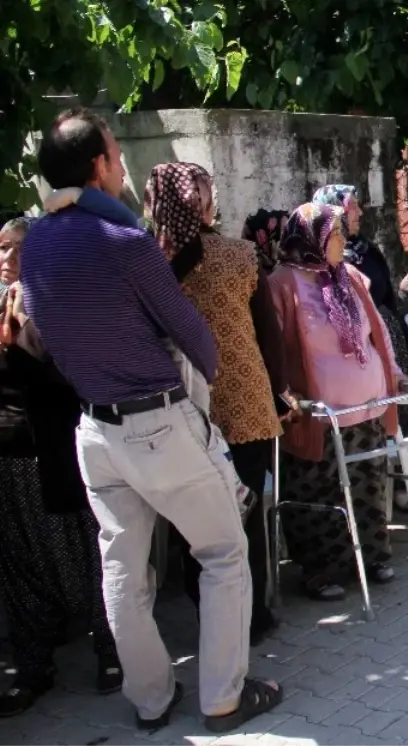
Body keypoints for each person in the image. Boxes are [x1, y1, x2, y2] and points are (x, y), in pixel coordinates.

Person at [19, 108, 281, 733]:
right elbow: (196, 338)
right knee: (222, 552)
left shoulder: (34, 245)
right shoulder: (126, 242)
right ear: (99, 166)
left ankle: (151, 699)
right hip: (158, 423)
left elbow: (42, 336)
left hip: (95, 432)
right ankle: (222, 696)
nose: (124, 167)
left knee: (123, 571)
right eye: (116, 153)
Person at [142, 163, 285, 645]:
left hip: (179, 412)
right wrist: (281, 393)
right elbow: (270, 335)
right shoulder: (242, 256)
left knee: (193, 525)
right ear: (202, 201)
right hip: (245, 404)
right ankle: (253, 617)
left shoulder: (145, 265)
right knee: (245, 515)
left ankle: (210, 614)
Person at [0, 217, 121, 717]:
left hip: (52, 446)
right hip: (7, 451)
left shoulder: (54, 301)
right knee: (18, 564)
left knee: (82, 551)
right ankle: (33, 666)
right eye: (1, 249)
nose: (6, 258)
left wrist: (24, 318)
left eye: (16, 249)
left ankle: (110, 648)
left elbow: (63, 367)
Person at [269, 202, 404, 600]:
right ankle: (321, 569)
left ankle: (373, 555)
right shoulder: (282, 283)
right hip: (319, 416)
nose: (344, 241)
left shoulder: (350, 278)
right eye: (335, 234)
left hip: (366, 407)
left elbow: (377, 331)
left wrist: (393, 373)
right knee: (319, 489)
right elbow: (275, 348)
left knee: (367, 482)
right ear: (310, 239)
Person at [311, 185, 408, 380]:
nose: (360, 212)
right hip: (365, 349)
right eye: (353, 207)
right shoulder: (329, 263)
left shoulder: (365, 249)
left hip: (389, 341)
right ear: (334, 211)